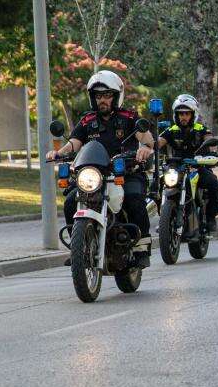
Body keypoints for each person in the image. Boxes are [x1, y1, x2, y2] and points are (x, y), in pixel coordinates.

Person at [45, 70, 155, 268]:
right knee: (71, 201)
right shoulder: (88, 120)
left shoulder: (129, 117)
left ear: (116, 96)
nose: (102, 100)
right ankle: (78, 248)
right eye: (98, 96)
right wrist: (58, 153)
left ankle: (140, 248)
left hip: (125, 171)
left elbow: (145, 137)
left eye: (106, 95)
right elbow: (74, 143)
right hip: (94, 174)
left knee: (133, 198)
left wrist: (146, 148)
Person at [157, 93, 218, 229]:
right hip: (176, 168)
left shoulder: (201, 129)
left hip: (197, 167)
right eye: (180, 114)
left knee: (213, 183)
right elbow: (156, 144)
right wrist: (147, 149)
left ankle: (210, 217)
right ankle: (164, 219)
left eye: (186, 113)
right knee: (156, 185)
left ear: (193, 114)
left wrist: (213, 152)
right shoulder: (171, 131)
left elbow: (210, 141)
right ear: (176, 115)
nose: (183, 117)